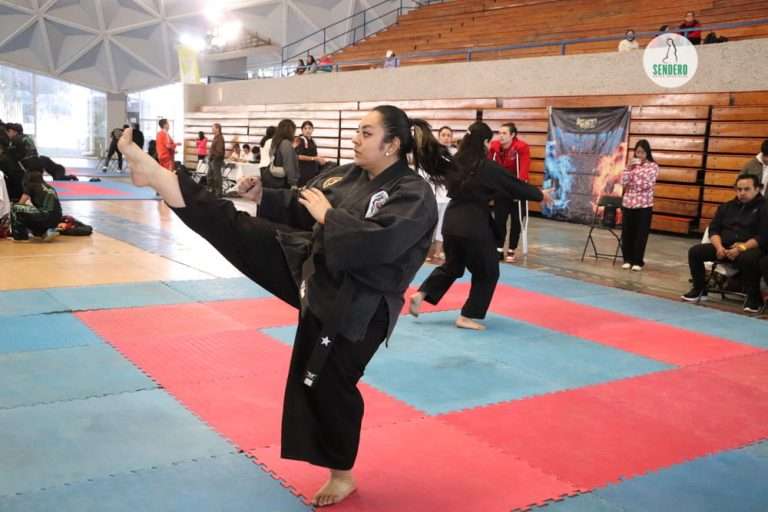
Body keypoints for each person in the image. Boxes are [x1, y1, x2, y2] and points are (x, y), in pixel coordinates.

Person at [117, 104, 448, 507]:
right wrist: (264, 195)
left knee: (330, 387)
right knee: (235, 227)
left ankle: (342, 475)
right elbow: (303, 203)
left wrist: (330, 218)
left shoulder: (412, 193)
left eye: (366, 133)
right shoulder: (349, 174)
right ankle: (158, 176)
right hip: (314, 270)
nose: (355, 139)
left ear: (392, 144)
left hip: (358, 306)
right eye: (357, 131)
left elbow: (382, 243)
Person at [410, 122, 551, 331]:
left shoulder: (454, 162)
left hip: (451, 220)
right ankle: (468, 315)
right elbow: (513, 185)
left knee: (453, 266)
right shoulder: (487, 167)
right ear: (485, 142)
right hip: (473, 223)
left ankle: (421, 293)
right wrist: (540, 195)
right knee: (488, 272)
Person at [681, 174, 765, 312]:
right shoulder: (727, 206)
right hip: (724, 247)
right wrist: (719, 247)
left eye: (747, 189)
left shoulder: (764, 208)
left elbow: (763, 236)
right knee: (695, 252)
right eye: (739, 189)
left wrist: (741, 248)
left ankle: (754, 297)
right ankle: (699, 288)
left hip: (748, 248)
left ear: (757, 189)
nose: (742, 193)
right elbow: (714, 229)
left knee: (750, 258)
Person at [487, 122, 531, 263]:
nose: (501, 136)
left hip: (516, 188)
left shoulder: (521, 147)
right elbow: (488, 164)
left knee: (516, 221)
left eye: (504, 133)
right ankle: (498, 248)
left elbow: (523, 169)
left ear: (513, 135)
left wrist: (520, 188)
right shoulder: (494, 146)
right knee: (499, 220)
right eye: (499, 133)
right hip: (501, 189)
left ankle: (512, 248)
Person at [620, 139, 659, 271]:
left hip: (644, 204)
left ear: (647, 153)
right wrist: (628, 169)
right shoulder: (631, 166)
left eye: (642, 152)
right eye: (637, 152)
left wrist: (633, 181)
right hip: (628, 203)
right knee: (627, 233)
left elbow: (647, 184)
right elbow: (623, 182)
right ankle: (627, 259)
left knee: (640, 234)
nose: (639, 155)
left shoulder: (653, 166)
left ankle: (638, 261)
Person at [10, 161, 62, 242]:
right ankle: (43, 232)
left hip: (45, 216)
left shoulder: (31, 185)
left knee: (15, 208)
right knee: (32, 212)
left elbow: (21, 203)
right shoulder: (50, 187)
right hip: (56, 219)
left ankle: (20, 237)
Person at [426, 126, 457, 263]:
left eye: (449, 135)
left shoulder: (455, 154)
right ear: (439, 137)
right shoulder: (431, 153)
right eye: (443, 135)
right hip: (433, 194)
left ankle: (438, 251)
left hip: (447, 196)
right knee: (430, 224)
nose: (446, 138)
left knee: (443, 225)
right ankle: (427, 251)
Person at [269, 119, 300, 189]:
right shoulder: (286, 143)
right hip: (285, 181)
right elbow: (289, 164)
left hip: (275, 179)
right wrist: (293, 183)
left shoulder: (275, 142)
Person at [296, 121, 326, 186]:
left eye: (309, 128)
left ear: (312, 129)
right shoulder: (301, 140)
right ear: (302, 130)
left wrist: (320, 159)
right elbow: (299, 156)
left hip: (311, 171)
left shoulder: (311, 141)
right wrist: (314, 158)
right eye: (305, 128)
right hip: (303, 171)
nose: (307, 130)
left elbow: (313, 155)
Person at [209, 123, 225, 197]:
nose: (212, 129)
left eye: (213, 128)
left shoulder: (220, 138)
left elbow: (219, 152)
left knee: (217, 177)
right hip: (212, 159)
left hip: (216, 160)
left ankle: (218, 193)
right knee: (210, 176)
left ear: (217, 129)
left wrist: (212, 153)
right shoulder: (215, 137)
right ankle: (212, 191)